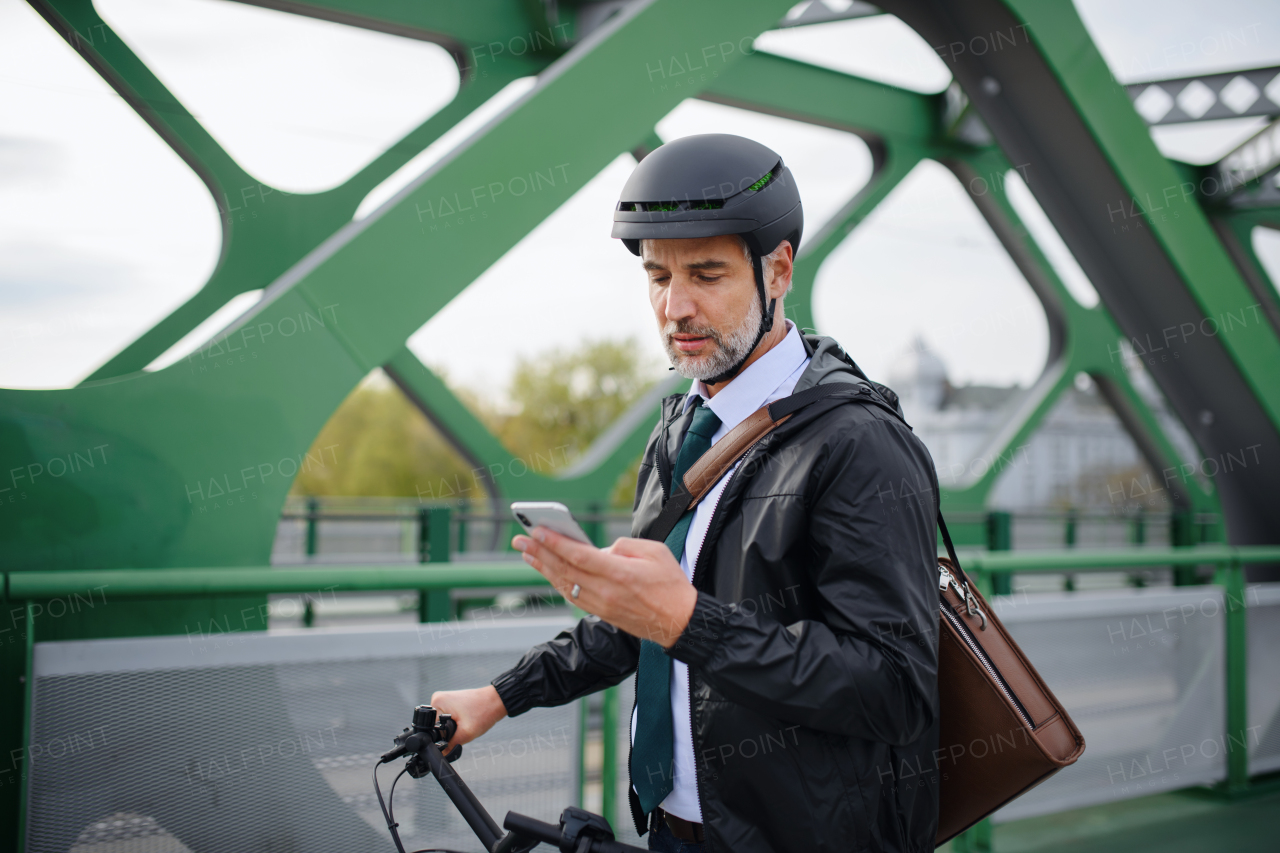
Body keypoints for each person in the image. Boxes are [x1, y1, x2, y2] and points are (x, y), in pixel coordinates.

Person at [431, 134, 940, 853]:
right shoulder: (682, 430)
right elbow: (645, 622)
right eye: (657, 277)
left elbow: (895, 690)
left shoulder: (858, 443)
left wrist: (690, 622)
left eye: (706, 274)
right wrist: (499, 697)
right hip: (675, 830)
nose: (675, 306)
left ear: (779, 270)